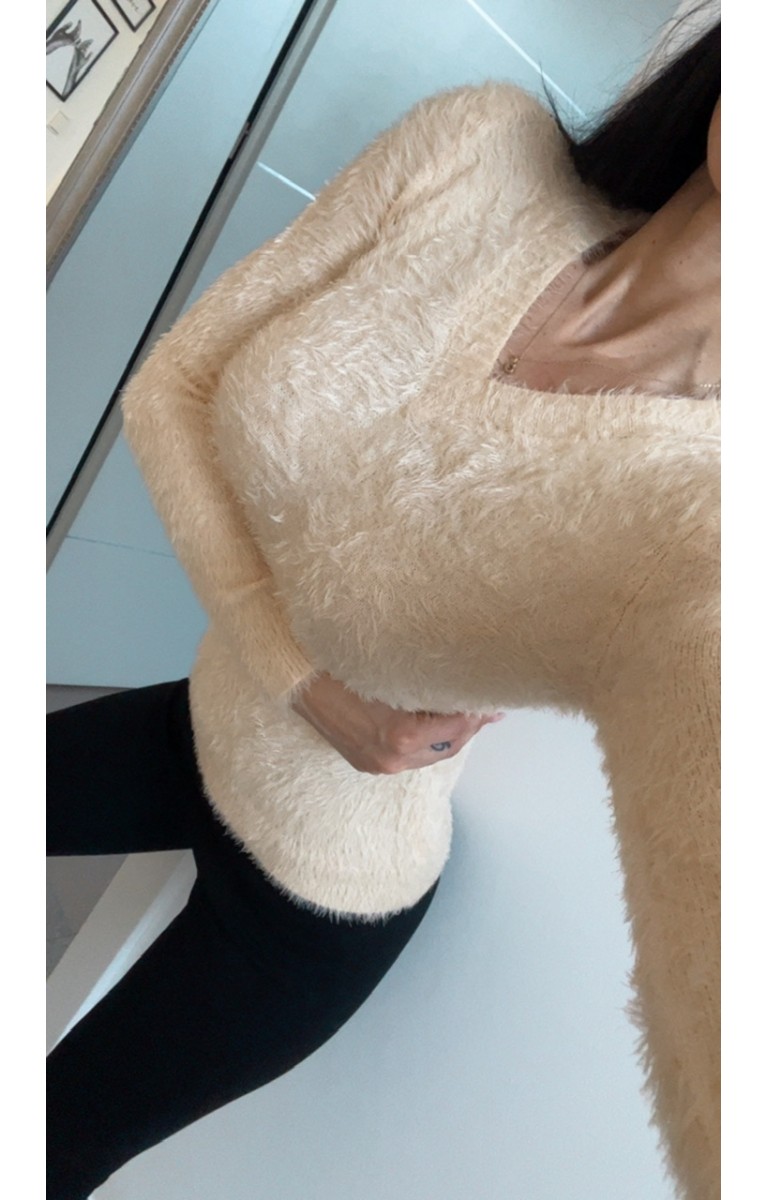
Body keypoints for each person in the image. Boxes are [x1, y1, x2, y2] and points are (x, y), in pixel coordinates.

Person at [47, 18, 720, 1200]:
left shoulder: (712, 498)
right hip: (195, 727)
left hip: (316, 897)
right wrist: (299, 677)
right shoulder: (482, 149)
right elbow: (175, 386)